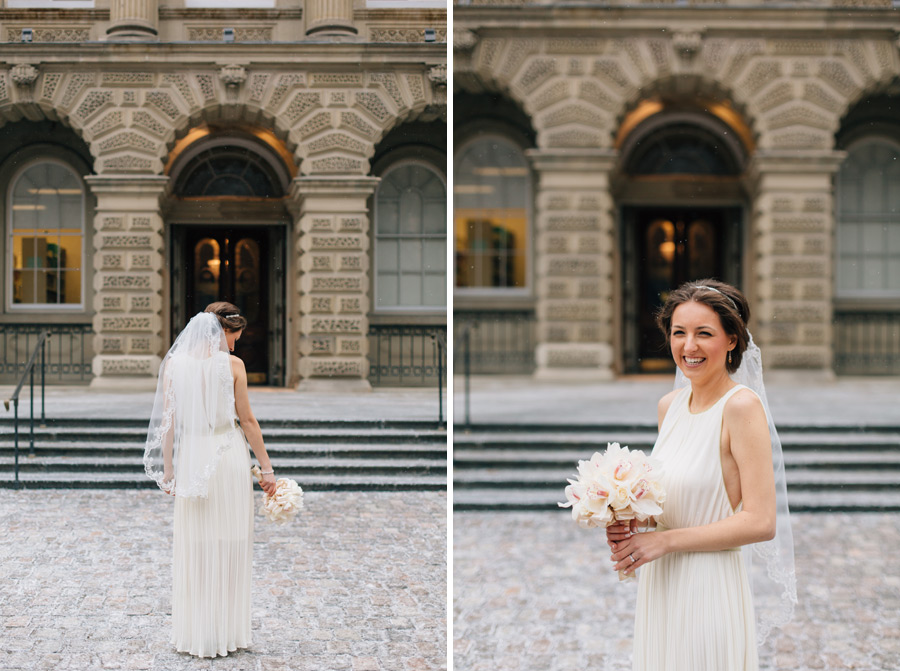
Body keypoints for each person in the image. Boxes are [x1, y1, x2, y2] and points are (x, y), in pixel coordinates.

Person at [606, 280, 796, 671]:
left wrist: (664, 541)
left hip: (708, 584)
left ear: (731, 341)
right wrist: (632, 519)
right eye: (679, 333)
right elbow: (676, 498)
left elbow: (761, 522)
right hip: (661, 584)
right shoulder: (669, 406)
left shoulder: (741, 408)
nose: (688, 347)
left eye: (703, 334)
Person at [143, 301, 277, 658]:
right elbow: (247, 421)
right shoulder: (233, 366)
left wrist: (169, 470)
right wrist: (267, 468)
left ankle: (195, 631)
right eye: (234, 336)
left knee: (196, 542)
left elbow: (168, 423)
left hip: (192, 456)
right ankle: (225, 631)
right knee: (231, 540)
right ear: (223, 331)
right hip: (227, 455)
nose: (234, 344)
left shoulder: (174, 365)